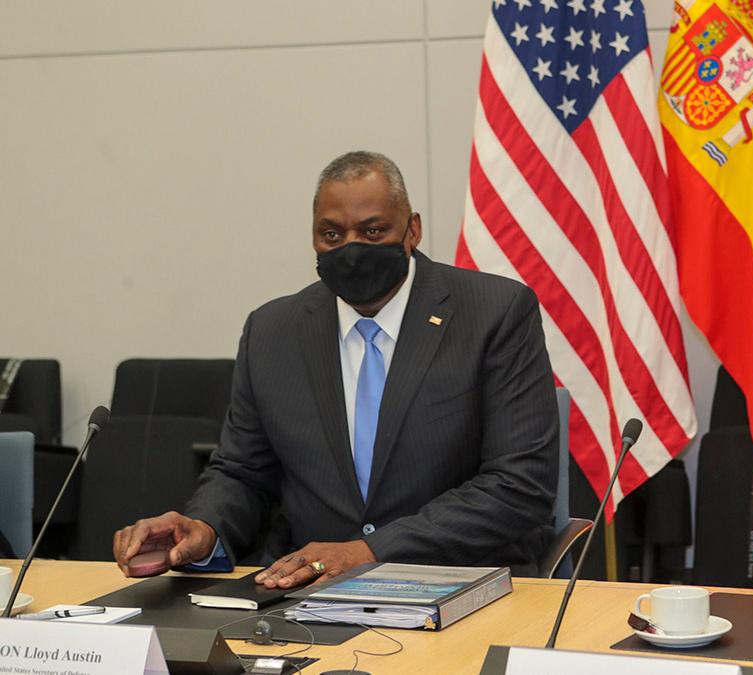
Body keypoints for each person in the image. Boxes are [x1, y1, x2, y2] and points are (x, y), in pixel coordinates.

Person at [113, 151, 558, 586]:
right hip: (306, 593)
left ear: (412, 230)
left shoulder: (494, 313)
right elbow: (243, 472)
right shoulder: (273, 331)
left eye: (373, 231)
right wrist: (204, 527)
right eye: (332, 235)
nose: (352, 248)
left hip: (463, 582)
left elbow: (518, 485)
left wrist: (370, 551)